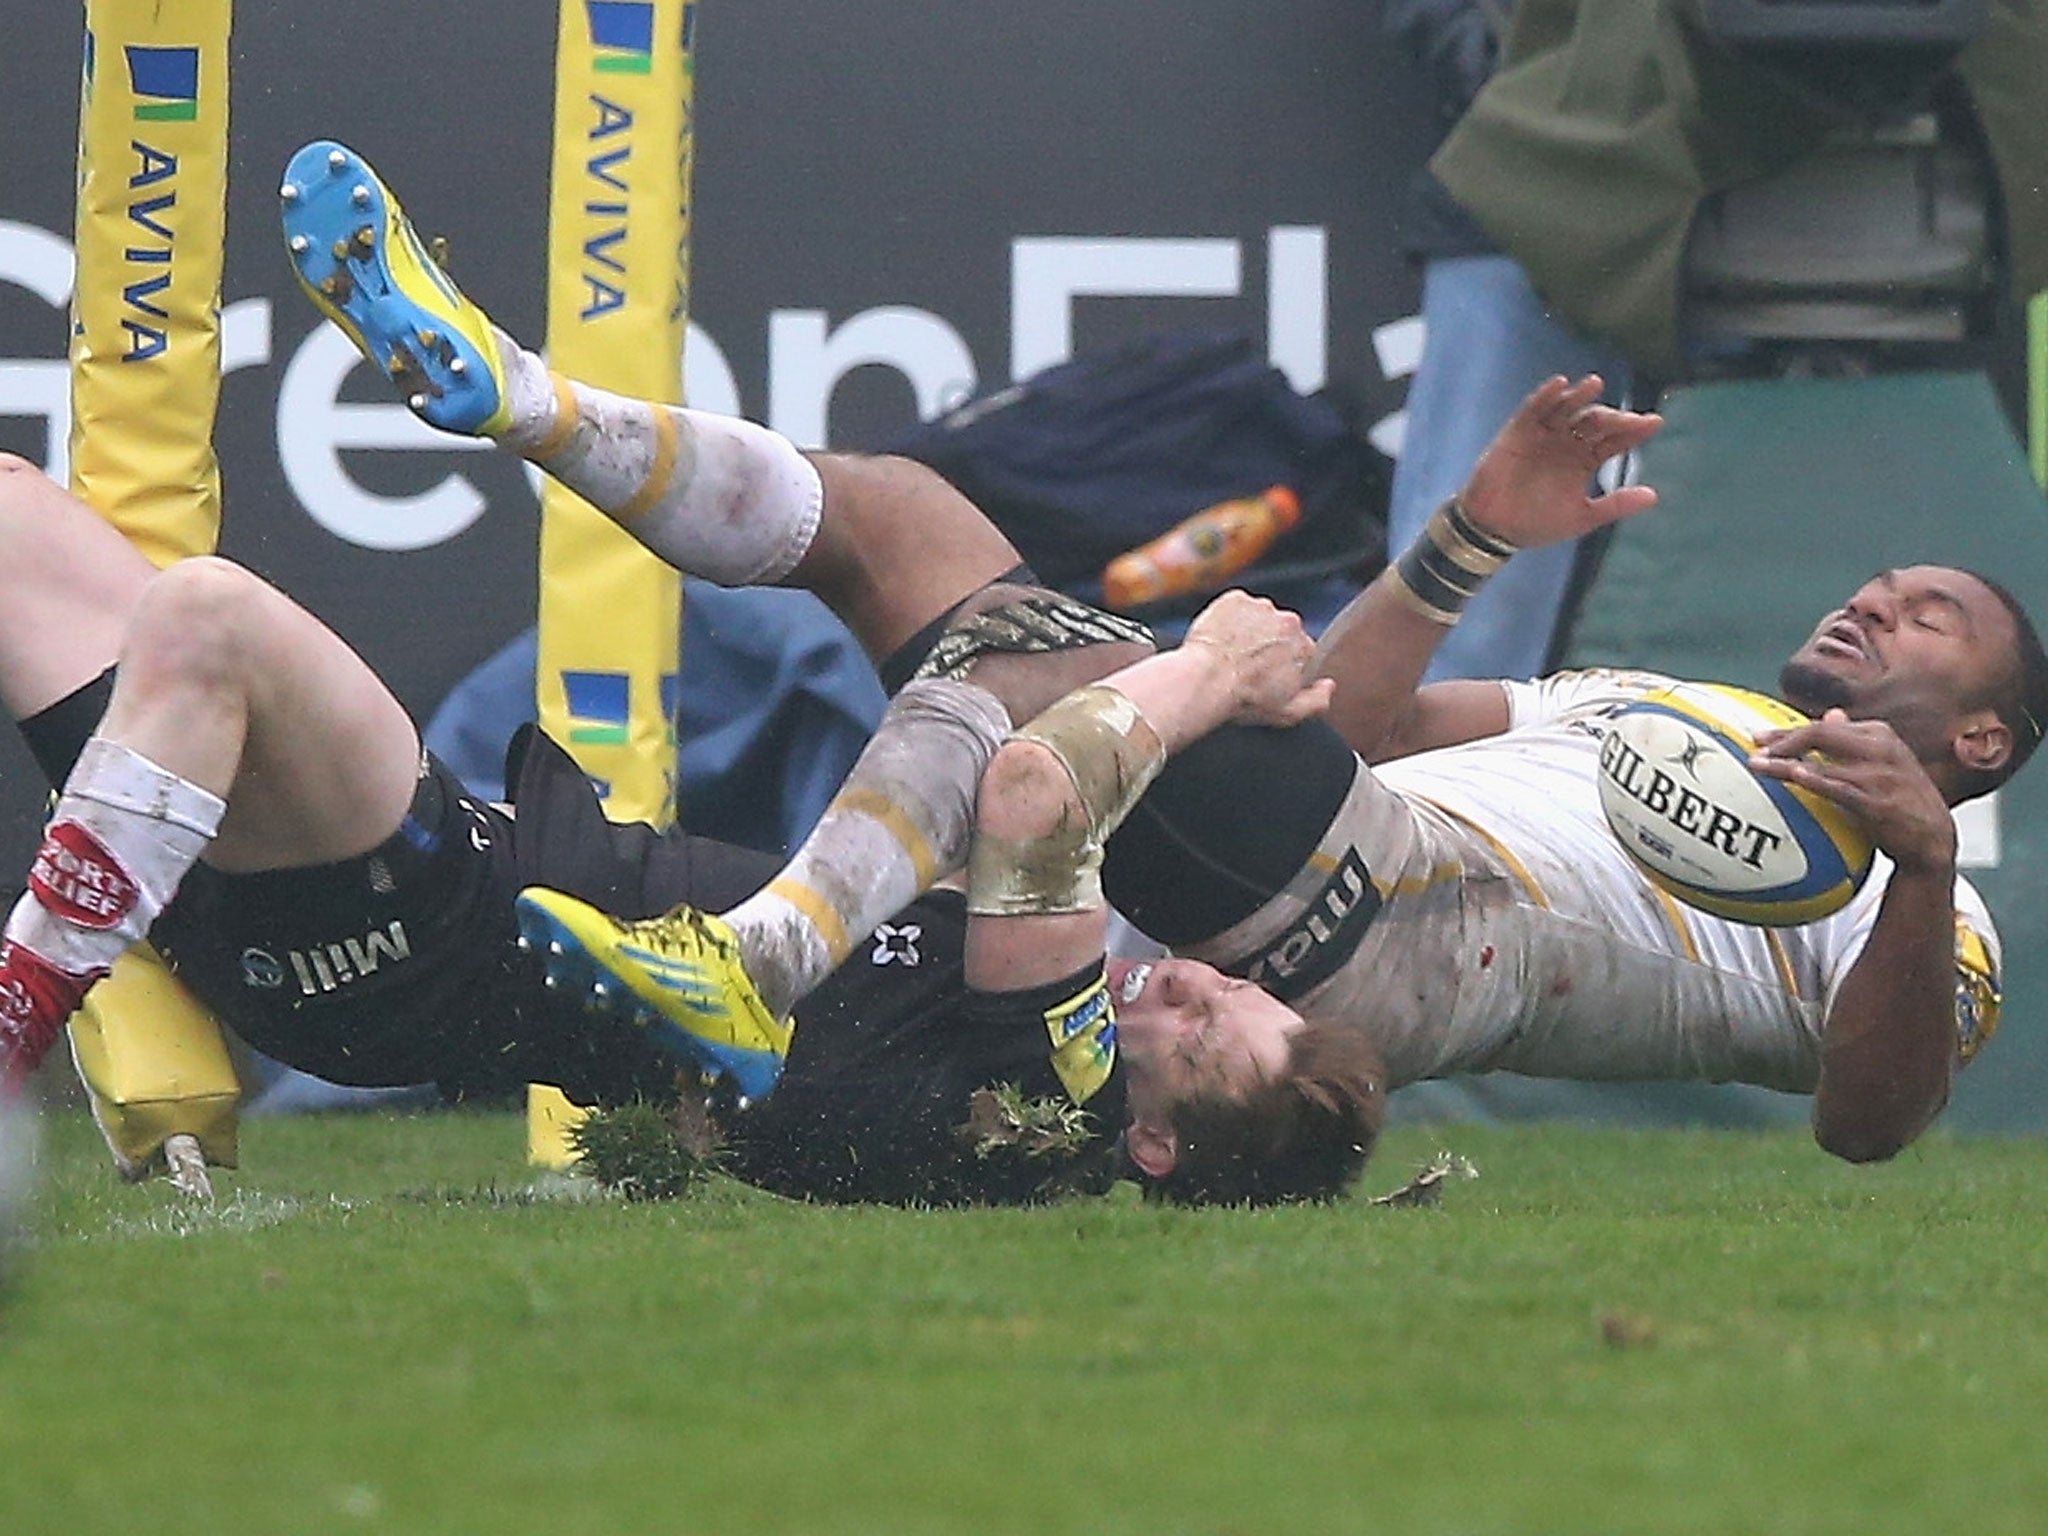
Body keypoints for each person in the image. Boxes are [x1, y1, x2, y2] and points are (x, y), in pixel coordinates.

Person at [0, 141, 1376, 1206]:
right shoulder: (1012, 1087)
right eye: (1228, 991)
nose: (1186, 987)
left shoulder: (1053, 1100)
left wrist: (1213, 667)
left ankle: (21, 1017)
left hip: (411, 924)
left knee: (209, 615)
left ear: (1152, 1148)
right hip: (345, 911)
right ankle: (526, 405)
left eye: (1201, 1037)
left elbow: (1033, 793)